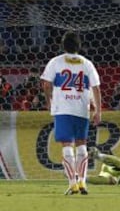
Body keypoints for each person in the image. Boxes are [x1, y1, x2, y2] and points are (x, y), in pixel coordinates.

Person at [40, 31, 102, 195]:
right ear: (79, 46)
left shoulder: (55, 62)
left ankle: (72, 183)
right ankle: (83, 182)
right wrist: (98, 110)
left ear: (62, 45)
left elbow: (46, 84)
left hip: (63, 108)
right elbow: (96, 88)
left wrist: (49, 100)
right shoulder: (87, 63)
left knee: (67, 145)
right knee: (82, 144)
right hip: (82, 109)